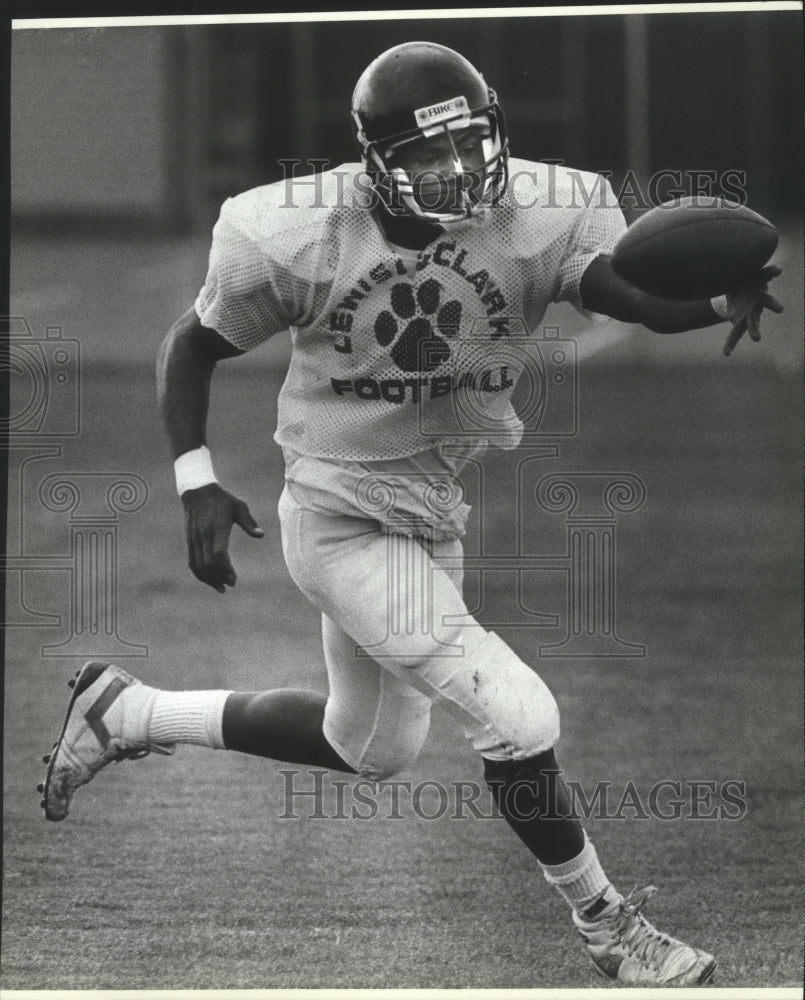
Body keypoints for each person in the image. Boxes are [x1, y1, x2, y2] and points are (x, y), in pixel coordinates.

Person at [40, 41, 782, 986]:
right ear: (375, 160)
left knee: (374, 746)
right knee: (517, 713)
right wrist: (196, 480)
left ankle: (131, 711)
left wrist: (715, 292)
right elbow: (188, 347)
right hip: (337, 518)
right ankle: (608, 927)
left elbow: (627, 293)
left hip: (429, 512)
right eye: (427, 157)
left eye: (468, 144)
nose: (456, 170)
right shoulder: (296, 231)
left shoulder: (536, 212)